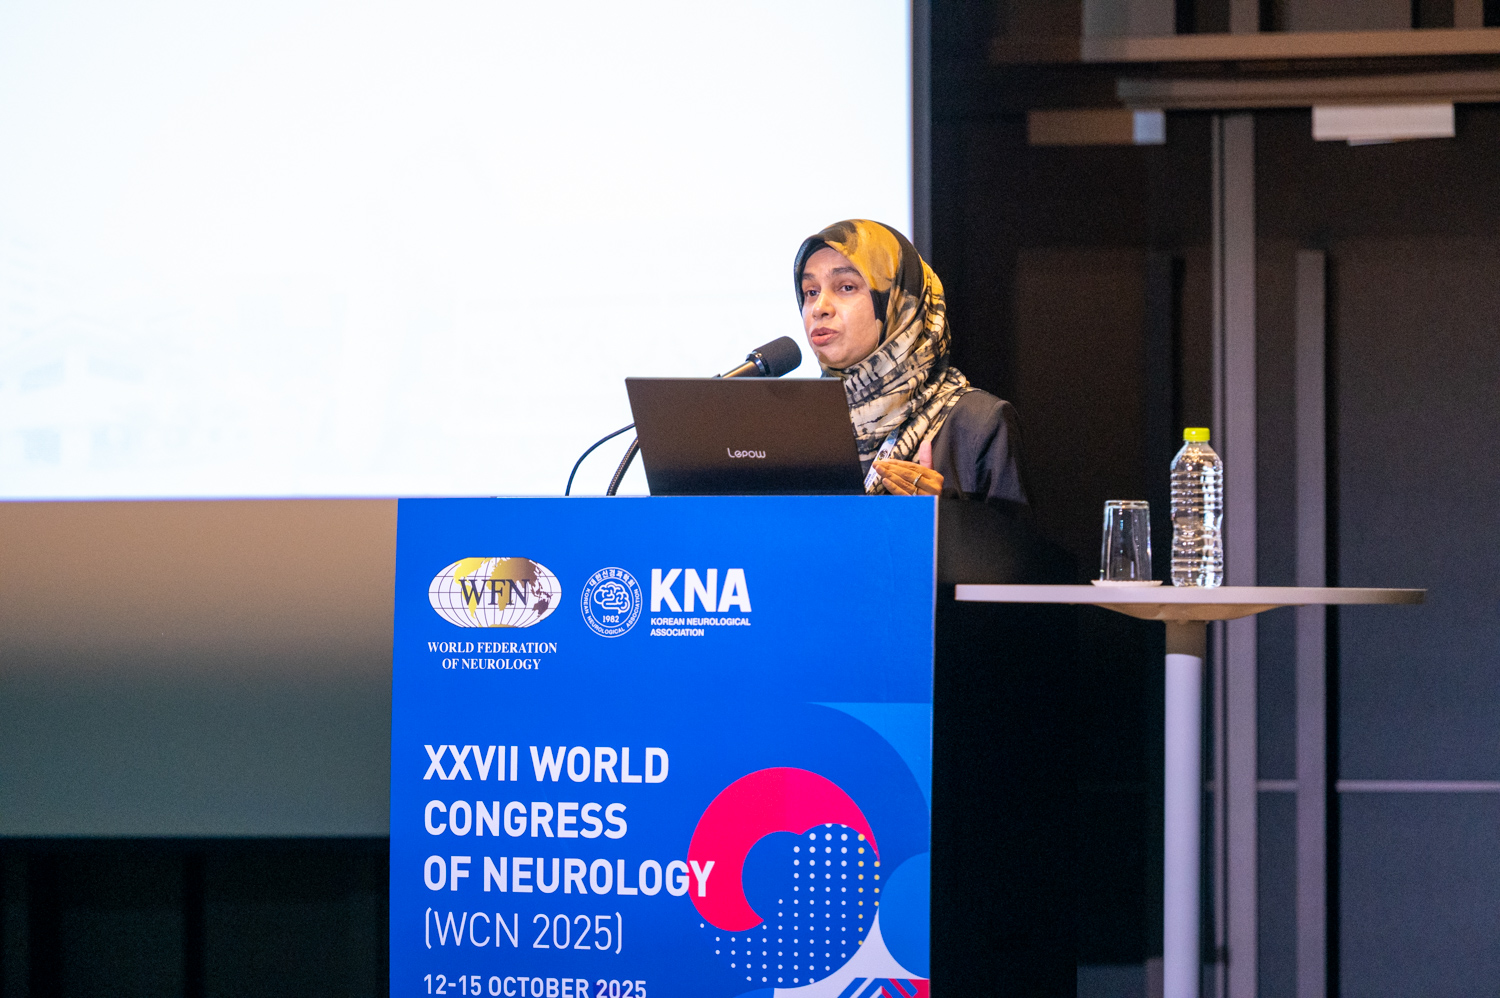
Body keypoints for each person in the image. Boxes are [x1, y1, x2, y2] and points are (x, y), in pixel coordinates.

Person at [795, 219, 1026, 504]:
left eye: (846, 287)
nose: (819, 308)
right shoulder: (801, 427)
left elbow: (1011, 534)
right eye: (811, 292)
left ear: (899, 300)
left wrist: (943, 513)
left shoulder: (978, 423)